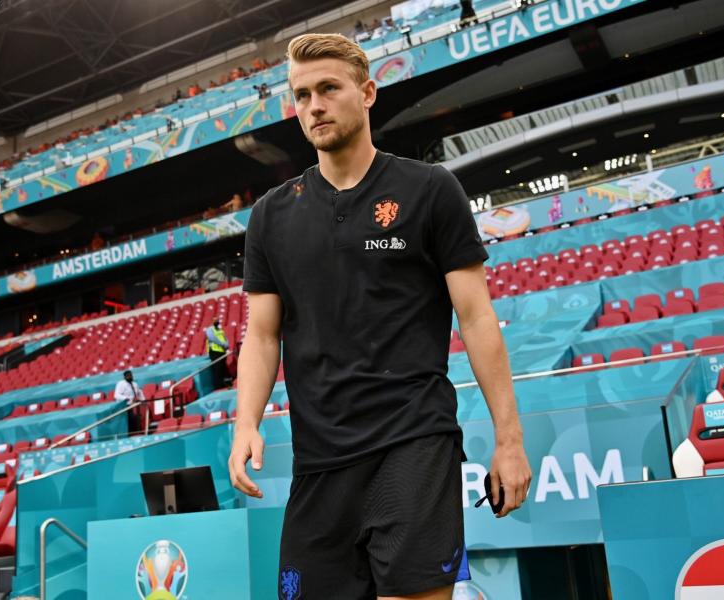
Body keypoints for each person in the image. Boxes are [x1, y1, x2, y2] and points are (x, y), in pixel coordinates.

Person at [229, 33, 531, 599]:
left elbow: (477, 318)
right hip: (318, 460)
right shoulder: (270, 216)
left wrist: (508, 440)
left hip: (413, 441)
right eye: (301, 95)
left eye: (328, 88)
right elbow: (262, 336)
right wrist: (245, 422)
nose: (314, 105)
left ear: (367, 93)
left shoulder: (431, 190)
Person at [205, 319, 230, 389]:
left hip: (222, 351)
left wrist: (227, 345)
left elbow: (225, 338)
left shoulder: (220, 329)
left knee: (222, 368)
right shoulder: (210, 329)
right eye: (215, 321)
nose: (217, 322)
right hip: (215, 351)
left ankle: (224, 383)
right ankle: (218, 386)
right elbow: (212, 338)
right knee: (217, 369)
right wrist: (222, 344)